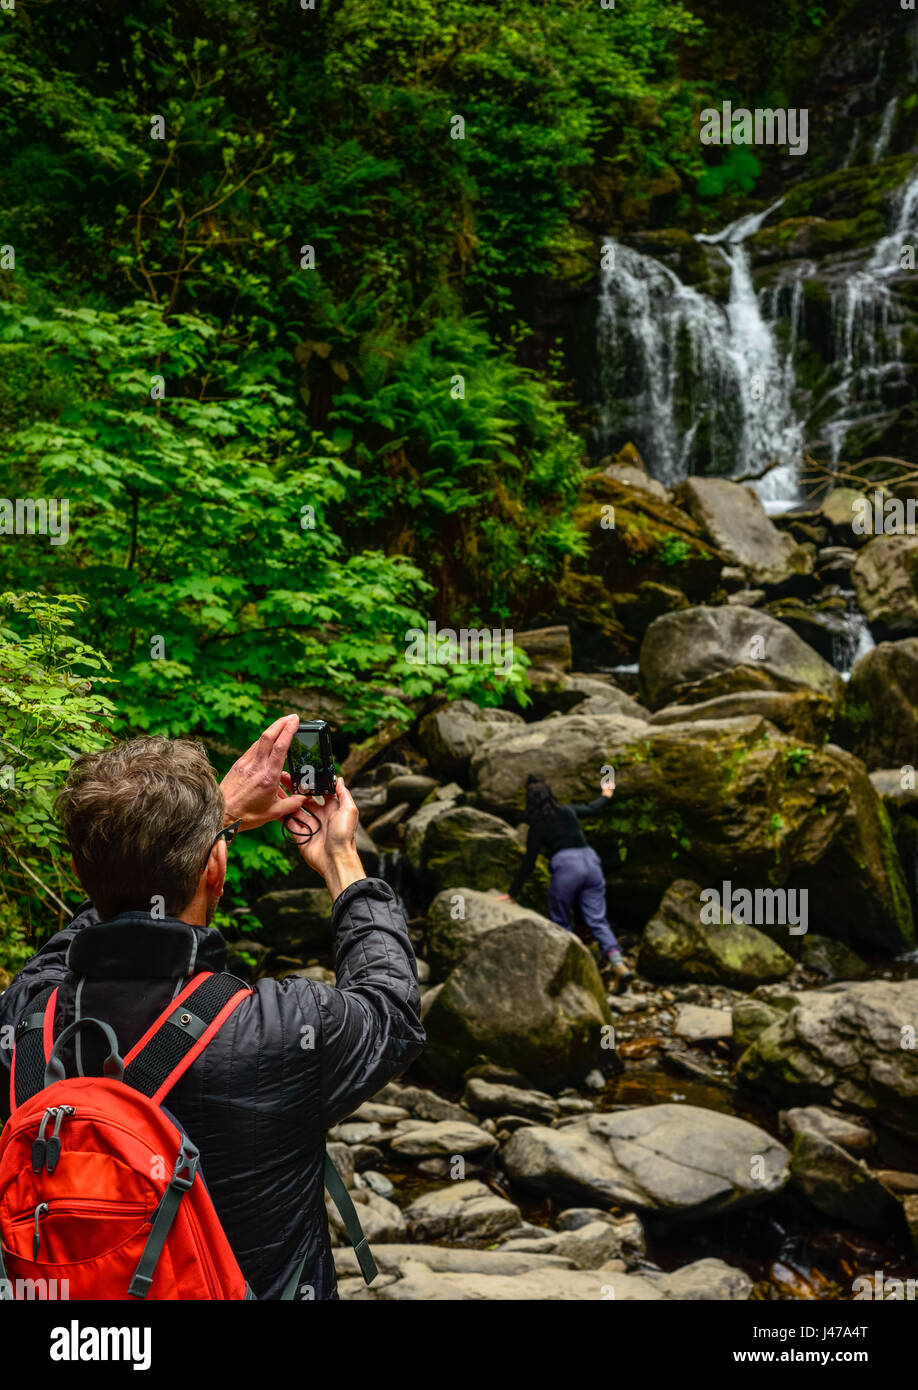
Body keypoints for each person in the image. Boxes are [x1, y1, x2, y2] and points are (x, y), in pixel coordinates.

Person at [0, 714, 425, 1299]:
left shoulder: (25, 1020)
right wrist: (341, 860)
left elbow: (84, 931)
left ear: (78, 871)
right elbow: (391, 1007)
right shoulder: (278, 1032)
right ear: (216, 872)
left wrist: (208, 824)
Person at [497, 773, 633, 993]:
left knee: (560, 919)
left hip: (568, 866)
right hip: (591, 861)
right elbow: (591, 809)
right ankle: (619, 965)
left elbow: (528, 864)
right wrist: (606, 795)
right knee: (598, 919)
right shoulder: (567, 811)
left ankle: (573, 971)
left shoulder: (537, 828)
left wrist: (512, 893)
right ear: (551, 795)